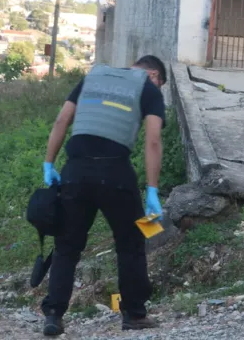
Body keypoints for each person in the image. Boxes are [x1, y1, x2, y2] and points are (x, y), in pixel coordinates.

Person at [39, 55, 167, 337]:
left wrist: (49, 163)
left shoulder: (93, 77)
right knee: (131, 242)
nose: (159, 90)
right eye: (161, 85)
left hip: (75, 171)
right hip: (115, 173)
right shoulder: (148, 88)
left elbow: (62, 120)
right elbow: (153, 139)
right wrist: (153, 190)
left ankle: (53, 315)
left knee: (67, 245)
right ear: (155, 75)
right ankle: (134, 314)